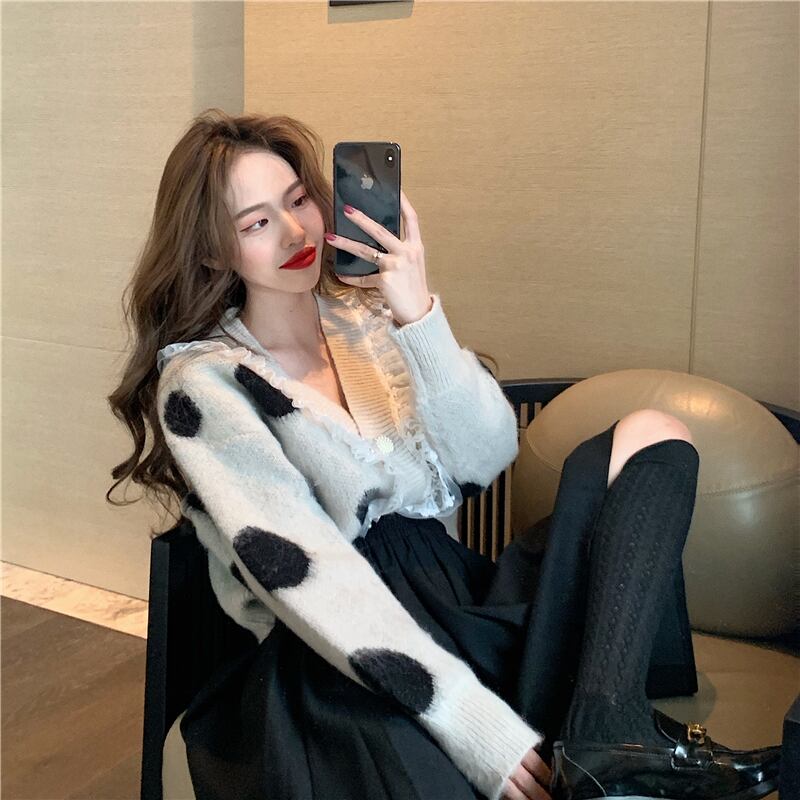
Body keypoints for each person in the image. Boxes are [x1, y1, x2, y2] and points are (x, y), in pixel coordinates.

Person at [107, 108, 782, 800]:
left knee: (652, 431)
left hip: (458, 590)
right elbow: (303, 569)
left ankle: (606, 730)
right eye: (256, 223)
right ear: (213, 252)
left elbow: (486, 456)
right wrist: (470, 721)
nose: (296, 232)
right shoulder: (206, 382)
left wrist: (418, 313)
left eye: (299, 199)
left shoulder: (367, 318)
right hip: (345, 642)